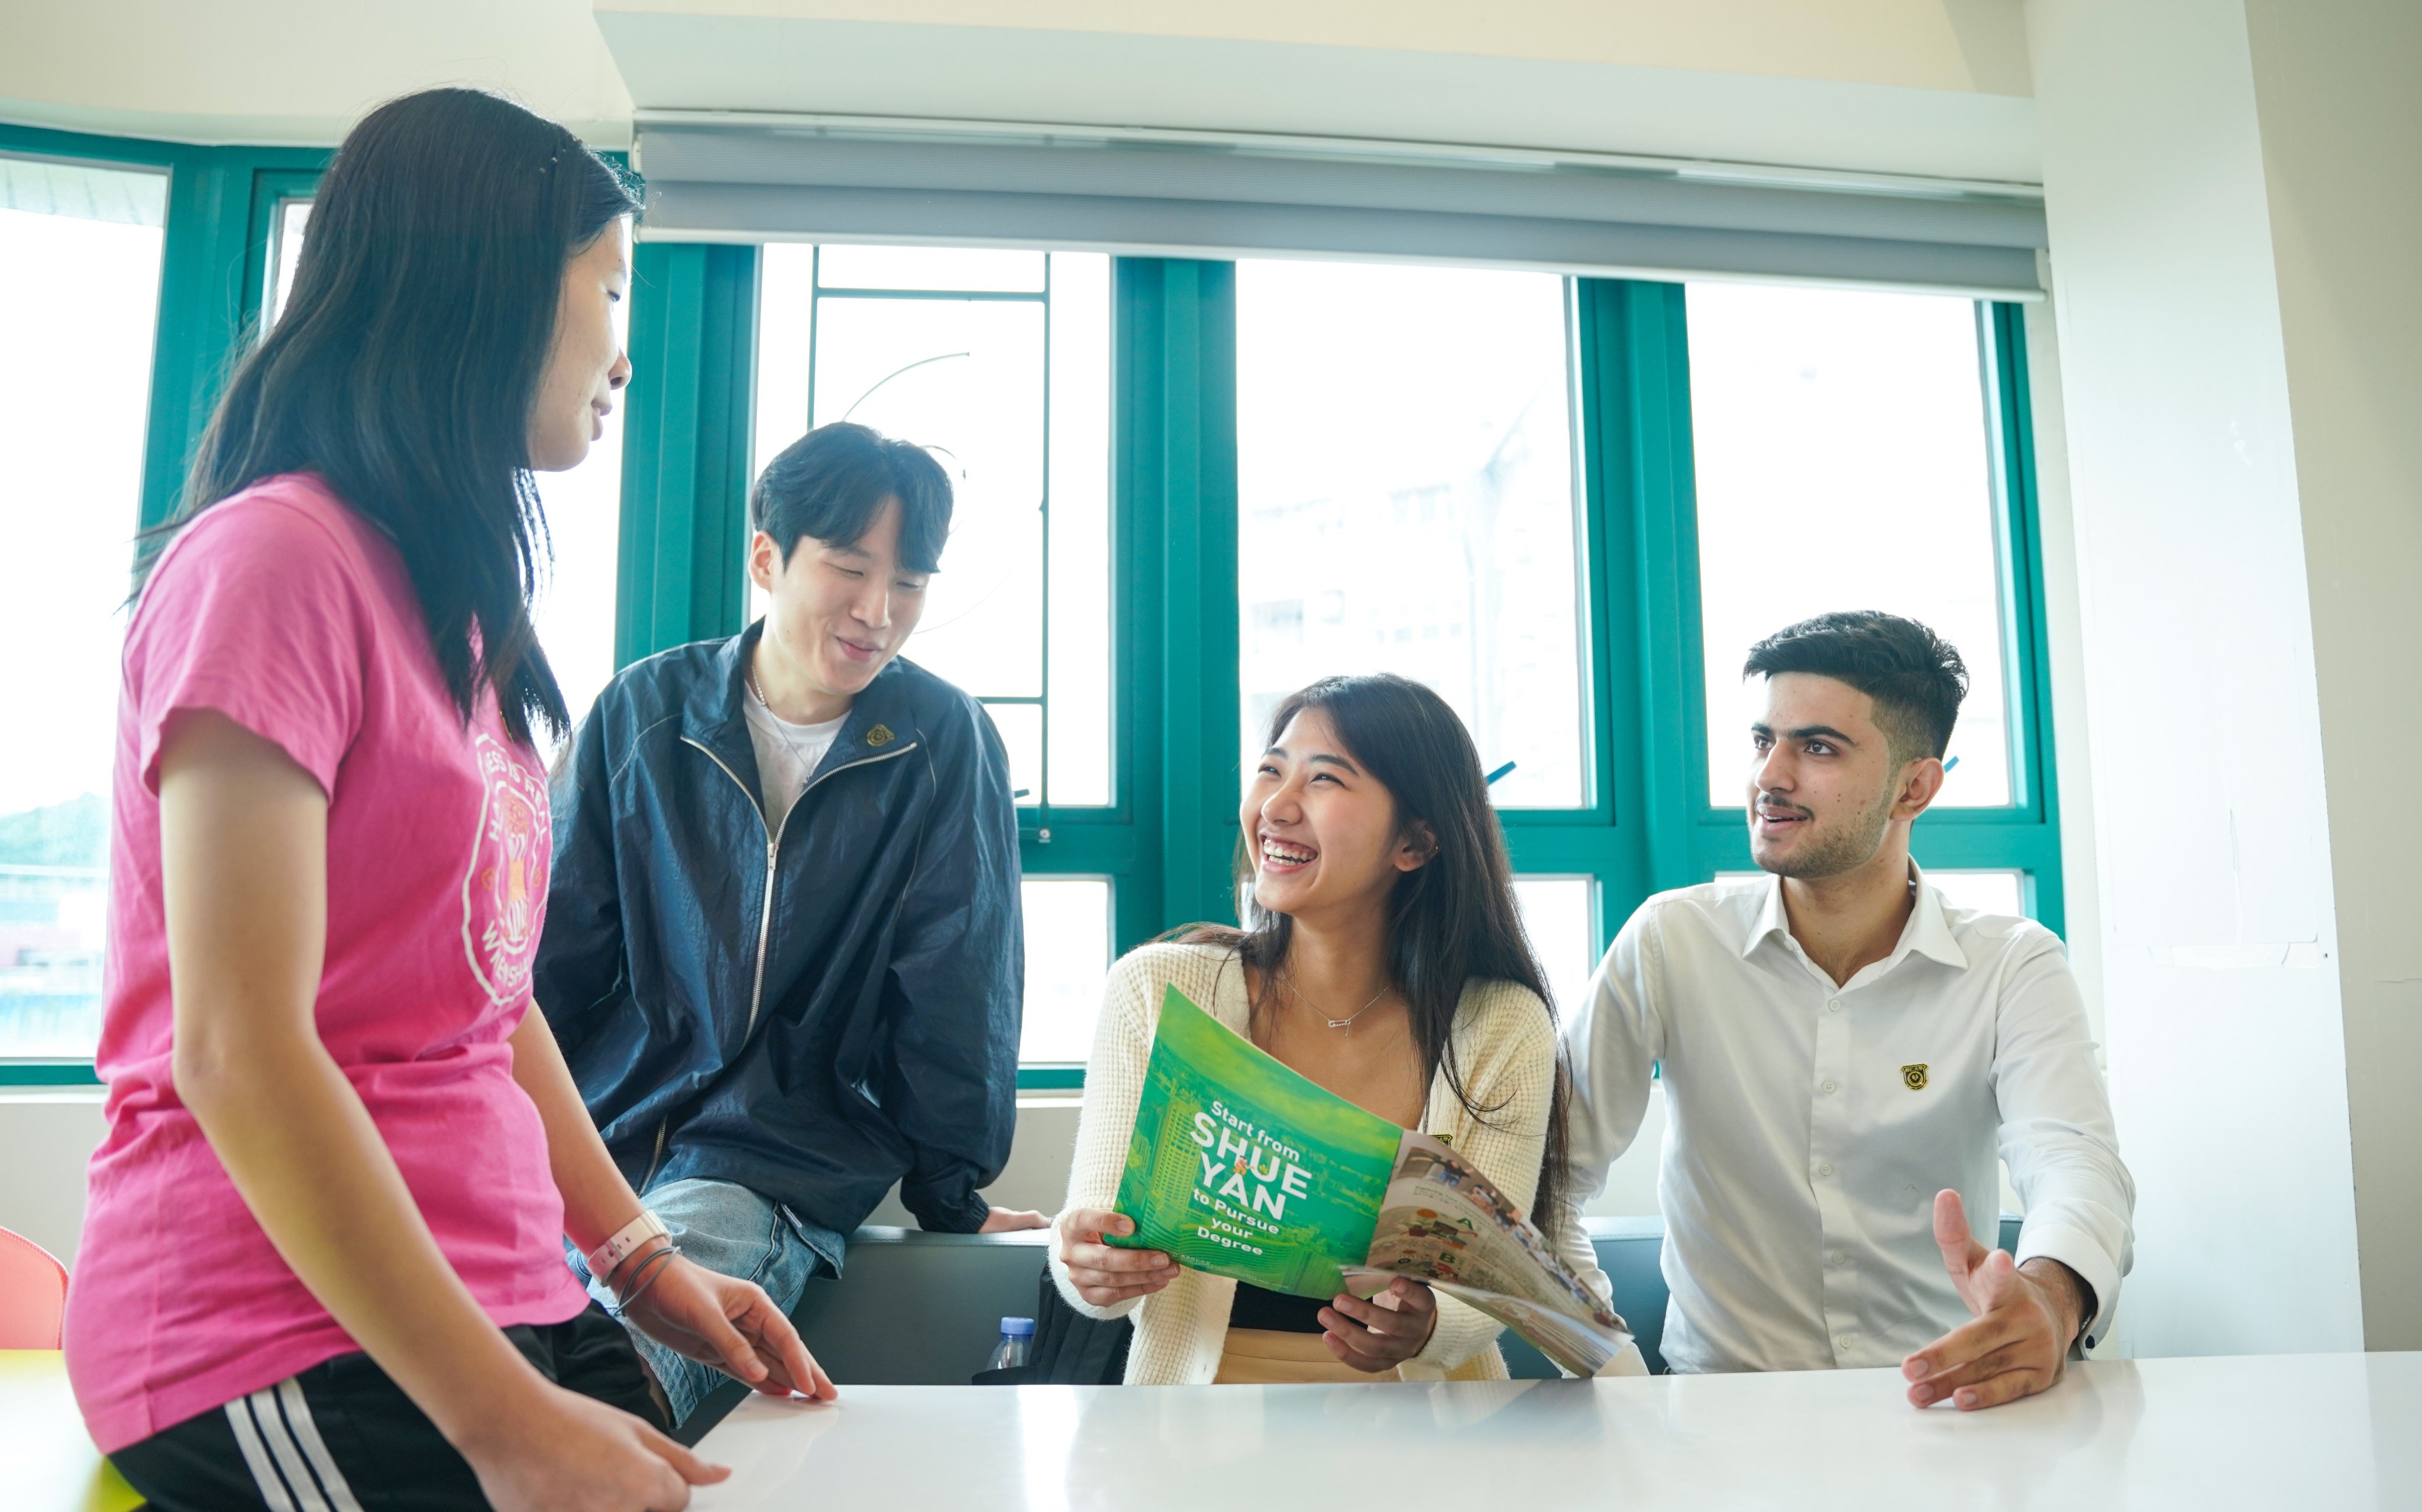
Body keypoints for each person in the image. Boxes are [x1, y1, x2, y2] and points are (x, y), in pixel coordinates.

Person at [63, 89, 832, 1512]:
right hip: (274, 1329)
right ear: (481, 285)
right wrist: (503, 1424)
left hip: (496, 1295)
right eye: (609, 287)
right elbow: (238, 1048)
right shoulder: (273, 561)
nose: (625, 347)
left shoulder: (456, 619)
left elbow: (484, 1001)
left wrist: (642, 1263)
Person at [535, 420, 1039, 1424]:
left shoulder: (944, 742)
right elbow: (551, 958)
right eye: (850, 569)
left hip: (771, 1165)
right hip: (595, 1148)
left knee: (599, 1391)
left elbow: (958, 991)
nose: (878, 612)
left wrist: (953, 1194)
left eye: (908, 583)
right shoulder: (644, 711)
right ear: (767, 557)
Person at [1556, 610, 2134, 1410]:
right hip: (1718, 1419)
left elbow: (2075, 1163)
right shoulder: (1671, 940)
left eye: (1816, 747)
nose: (1769, 776)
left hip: (1946, 1406)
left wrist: (2049, 1296)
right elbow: (1548, 1177)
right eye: (1763, 740)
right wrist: (1615, 1372)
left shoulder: (2012, 964)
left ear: (1914, 785)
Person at [1052, 674, 1588, 1384]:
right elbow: (1090, 1233)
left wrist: (1426, 1322)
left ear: (1417, 842)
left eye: (1325, 779)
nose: (1276, 805)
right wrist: (1089, 1269)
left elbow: (1488, 1285)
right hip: (1197, 1421)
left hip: (1429, 1432)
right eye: (1271, 770)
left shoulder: (1500, 1020)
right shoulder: (1156, 988)